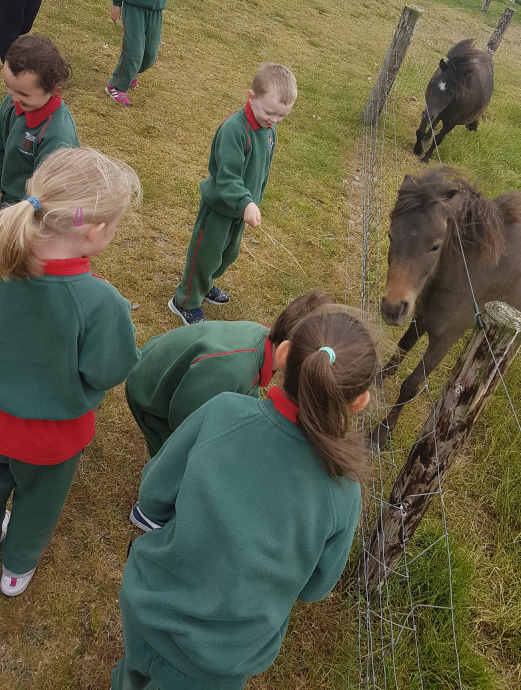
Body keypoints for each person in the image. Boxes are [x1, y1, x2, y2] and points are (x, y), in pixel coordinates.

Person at [112, 303, 378, 689]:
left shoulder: (222, 410)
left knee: (131, 674)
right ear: (359, 401)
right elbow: (315, 588)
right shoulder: (343, 490)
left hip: (146, 604)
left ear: (284, 353)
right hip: (217, 660)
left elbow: (153, 496)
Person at [0, 146, 141, 597]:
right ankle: (15, 568)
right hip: (52, 440)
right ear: (95, 231)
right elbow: (108, 370)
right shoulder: (101, 303)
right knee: (38, 504)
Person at [126, 290, 333, 460]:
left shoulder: (264, 339)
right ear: (286, 353)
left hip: (165, 365)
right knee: (177, 461)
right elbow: (183, 420)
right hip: (148, 394)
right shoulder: (233, 370)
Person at [169, 63, 297, 325]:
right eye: (270, 112)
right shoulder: (234, 130)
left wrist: (251, 201)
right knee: (205, 256)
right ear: (251, 97)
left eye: (282, 116)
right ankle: (185, 301)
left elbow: (260, 168)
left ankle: (205, 285)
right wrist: (246, 202)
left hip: (240, 209)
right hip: (221, 207)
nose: (274, 120)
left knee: (228, 254)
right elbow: (227, 177)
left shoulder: (268, 128)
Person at [0, 34, 78, 206]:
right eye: (9, 87)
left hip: (29, 207)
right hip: (7, 194)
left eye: (23, 94)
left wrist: (15, 213)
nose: (14, 98)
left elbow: (47, 193)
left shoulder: (58, 136)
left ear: (54, 90)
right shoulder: (12, 101)